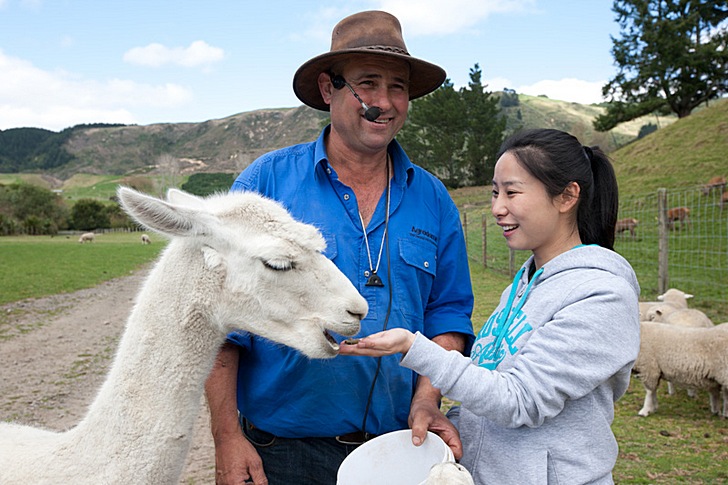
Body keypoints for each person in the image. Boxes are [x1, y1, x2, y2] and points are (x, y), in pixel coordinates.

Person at [204, 10, 475, 485]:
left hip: (398, 451)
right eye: (367, 84)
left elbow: (448, 316)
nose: (384, 102)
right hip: (280, 455)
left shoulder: (433, 199)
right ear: (329, 89)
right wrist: (227, 436)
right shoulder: (265, 185)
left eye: (398, 87)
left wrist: (427, 399)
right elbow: (219, 323)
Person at [340, 128, 641, 484]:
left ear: (566, 196)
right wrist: (454, 421)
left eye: (512, 192)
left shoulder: (602, 294)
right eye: (495, 192)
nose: (498, 208)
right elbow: (493, 380)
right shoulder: (523, 285)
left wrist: (413, 347)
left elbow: (520, 399)